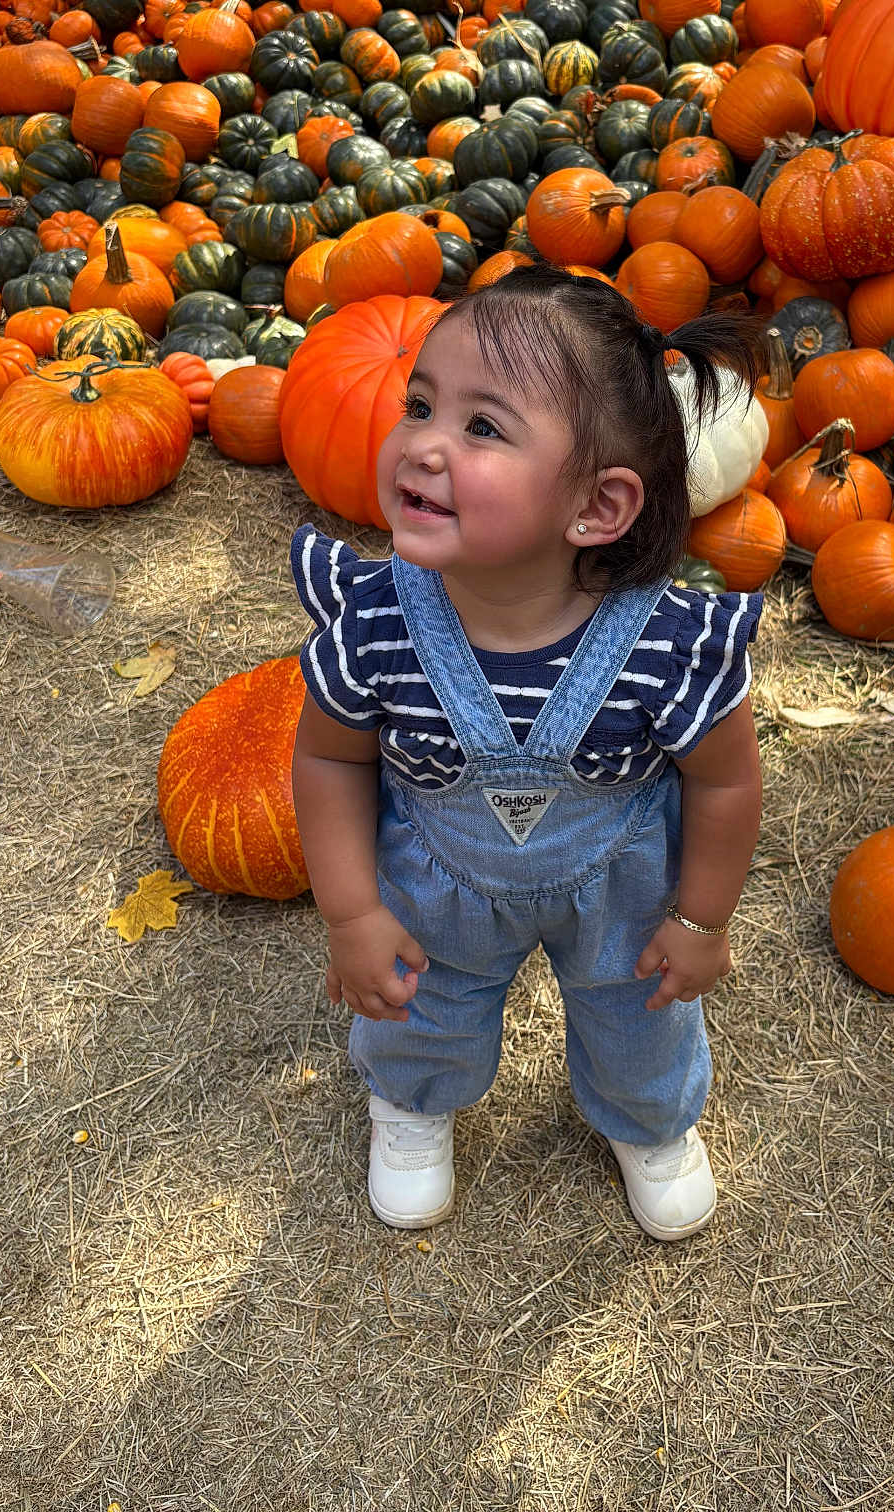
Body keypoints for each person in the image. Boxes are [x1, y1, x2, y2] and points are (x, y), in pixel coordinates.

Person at [290, 268, 765, 1241]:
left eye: (482, 428)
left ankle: (649, 1124)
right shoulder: (375, 623)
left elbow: (725, 781)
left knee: (639, 1013)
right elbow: (331, 761)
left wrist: (700, 919)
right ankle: (413, 1104)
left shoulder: (669, 646)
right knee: (420, 1001)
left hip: (621, 891)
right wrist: (352, 910)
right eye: (419, 404)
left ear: (596, 508)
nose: (422, 442)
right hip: (437, 880)